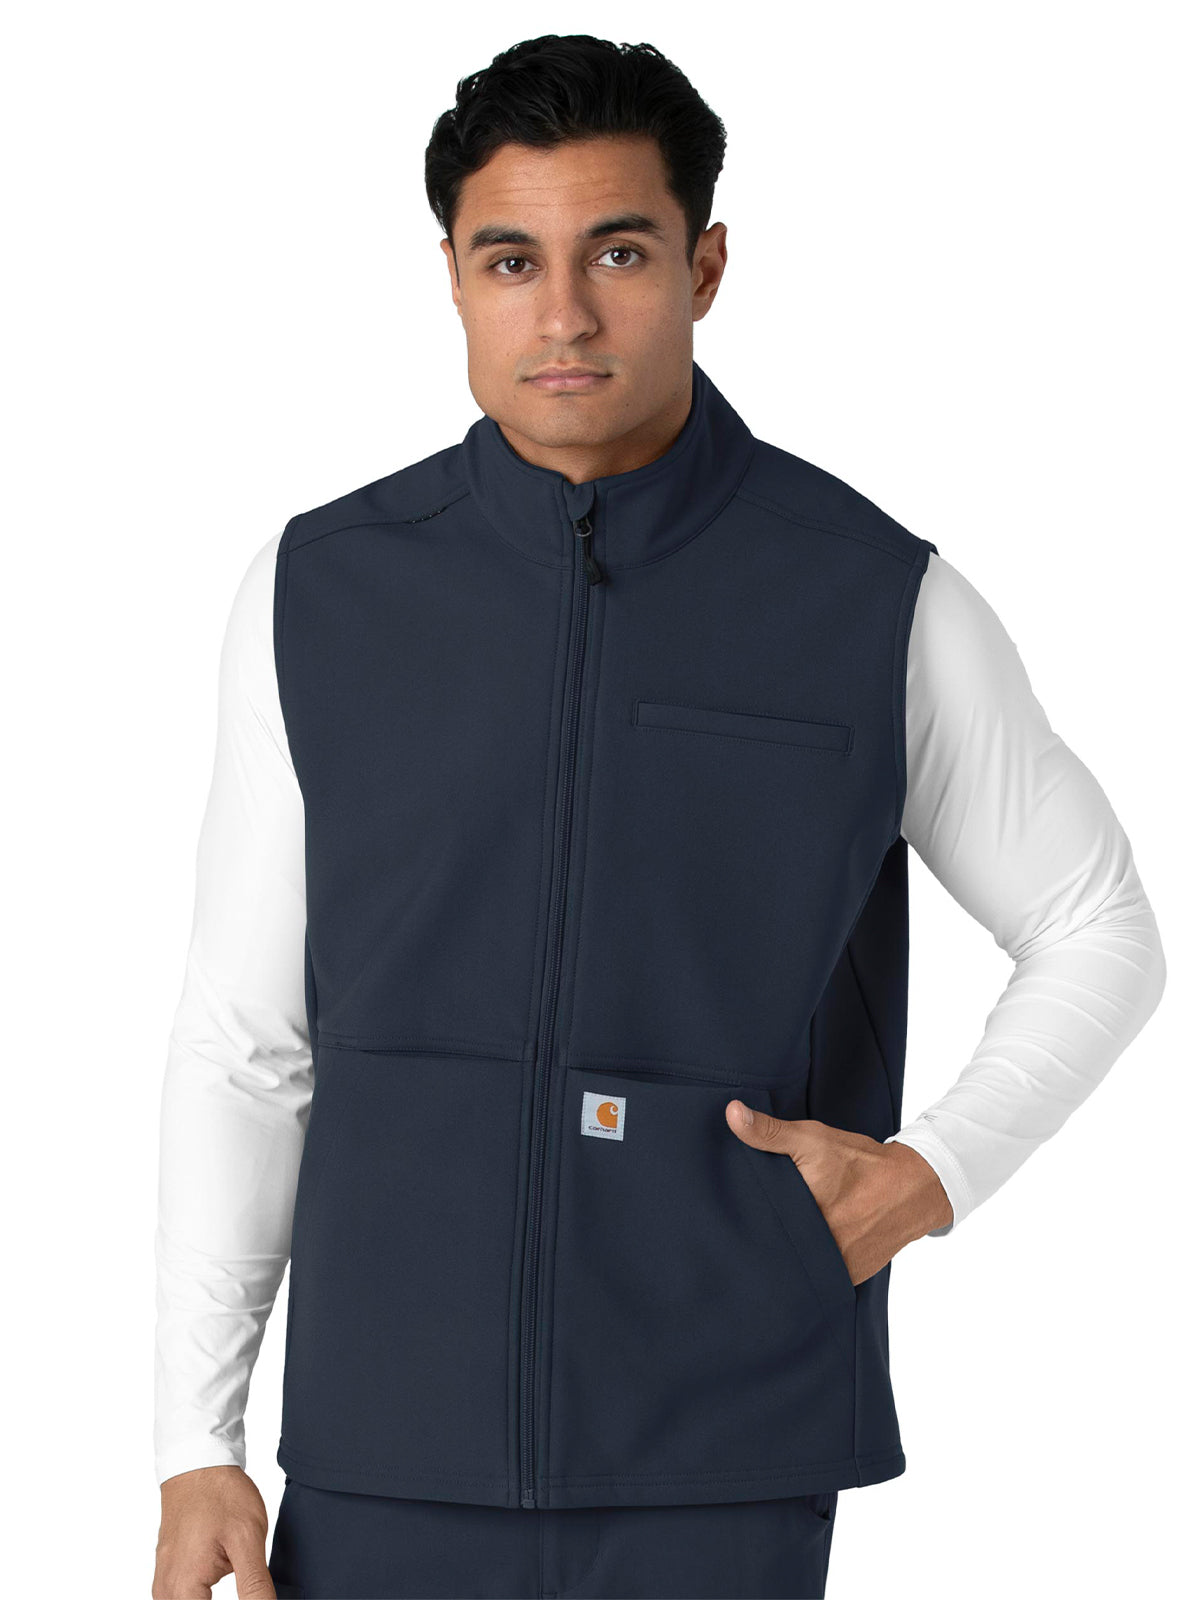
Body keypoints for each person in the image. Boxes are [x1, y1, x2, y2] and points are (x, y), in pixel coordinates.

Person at [150, 33, 1167, 1600]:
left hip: (725, 1447)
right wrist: (194, 1438)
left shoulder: (871, 599)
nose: (563, 314)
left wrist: (932, 1175)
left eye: (617, 254)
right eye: (512, 260)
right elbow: (246, 1041)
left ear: (704, 268)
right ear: (453, 278)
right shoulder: (320, 592)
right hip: (386, 1440)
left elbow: (1099, 925)